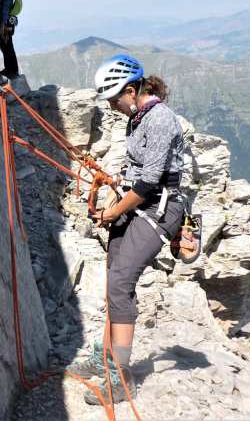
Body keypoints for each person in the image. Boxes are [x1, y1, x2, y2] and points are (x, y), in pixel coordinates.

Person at [69, 54, 195, 405]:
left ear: (130, 90)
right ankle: (106, 358)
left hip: (161, 208)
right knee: (114, 279)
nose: (110, 105)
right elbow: (138, 173)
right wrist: (116, 181)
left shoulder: (159, 121)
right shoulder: (137, 117)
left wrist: (111, 214)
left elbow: (150, 183)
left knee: (122, 281)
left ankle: (120, 379)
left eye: (113, 98)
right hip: (141, 201)